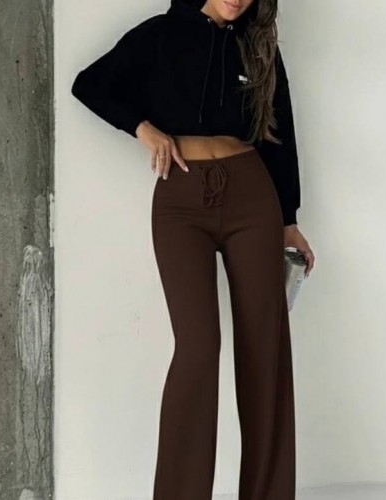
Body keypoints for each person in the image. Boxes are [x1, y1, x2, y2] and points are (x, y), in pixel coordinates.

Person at [71, 0, 315, 498]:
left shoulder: (258, 47)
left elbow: (280, 131)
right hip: (181, 201)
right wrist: (143, 128)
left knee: (265, 348)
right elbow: (89, 84)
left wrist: (289, 221)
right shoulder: (161, 34)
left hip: (253, 198)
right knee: (198, 347)